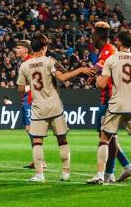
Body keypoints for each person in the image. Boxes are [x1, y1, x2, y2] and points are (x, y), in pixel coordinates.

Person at [16, 34, 93, 182]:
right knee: (62, 140)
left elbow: (20, 89)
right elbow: (63, 78)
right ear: (44, 47)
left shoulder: (25, 66)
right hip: (55, 107)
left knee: (37, 142)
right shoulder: (50, 61)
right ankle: (65, 173)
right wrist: (80, 70)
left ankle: (39, 175)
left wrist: (31, 86)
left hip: (38, 108)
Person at [87, 29, 131, 187]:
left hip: (116, 104)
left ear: (119, 42)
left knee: (104, 139)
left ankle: (101, 175)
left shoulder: (111, 59)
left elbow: (102, 84)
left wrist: (96, 79)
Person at [90, 22, 131, 183]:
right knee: (109, 137)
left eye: (93, 34)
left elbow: (96, 71)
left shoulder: (109, 51)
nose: (91, 38)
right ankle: (125, 166)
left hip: (110, 98)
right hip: (108, 98)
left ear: (98, 35)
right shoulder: (106, 51)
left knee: (106, 137)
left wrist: (71, 72)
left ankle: (108, 173)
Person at [13, 40, 38, 170]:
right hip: (26, 100)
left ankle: (39, 160)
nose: (15, 50)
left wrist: (27, 88)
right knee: (30, 130)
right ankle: (37, 159)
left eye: (18, 48)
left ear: (26, 50)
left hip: (31, 100)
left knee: (32, 130)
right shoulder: (24, 63)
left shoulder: (30, 63)